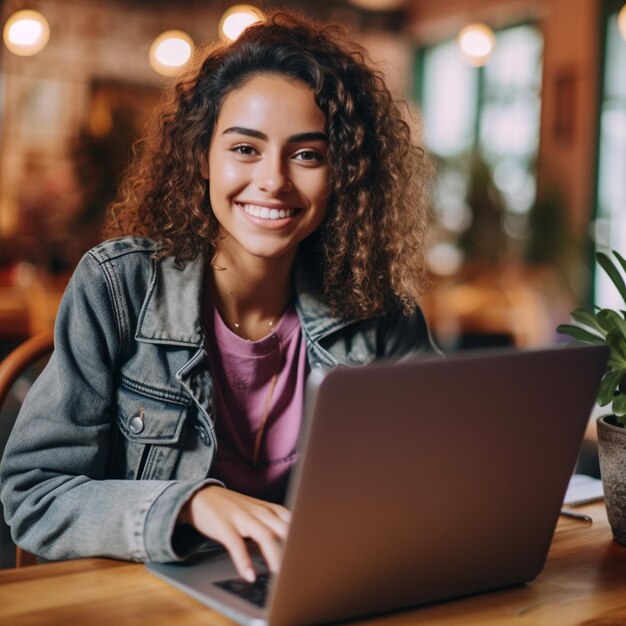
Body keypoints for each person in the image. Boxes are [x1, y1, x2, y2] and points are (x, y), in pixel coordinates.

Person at [0, 10, 437, 582]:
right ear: (202, 156)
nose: (274, 180)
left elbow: (438, 474)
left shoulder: (377, 310)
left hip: (319, 592)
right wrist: (187, 504)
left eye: (308, 154)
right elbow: (35, 498)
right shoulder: (117, 286)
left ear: (343, 174)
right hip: (144, 605)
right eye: (245, 149)